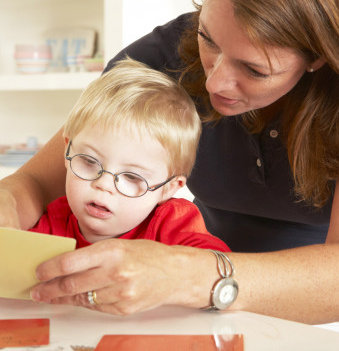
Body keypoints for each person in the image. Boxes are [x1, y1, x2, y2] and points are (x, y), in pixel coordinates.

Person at [0, 0, 339, 347]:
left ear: (319, 57)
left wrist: (188, 275)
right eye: (208, 39)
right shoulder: (165, 53)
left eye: (253, 68)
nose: (213, 82)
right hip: (200, 304)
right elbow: (35, 181)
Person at [28, 57, 230, 253]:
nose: (104, 185)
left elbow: (220, 269)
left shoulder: (172, 224)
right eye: (90, 161)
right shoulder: (54, 221)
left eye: (132, 176)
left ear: (168, 188)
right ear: (67, 149)